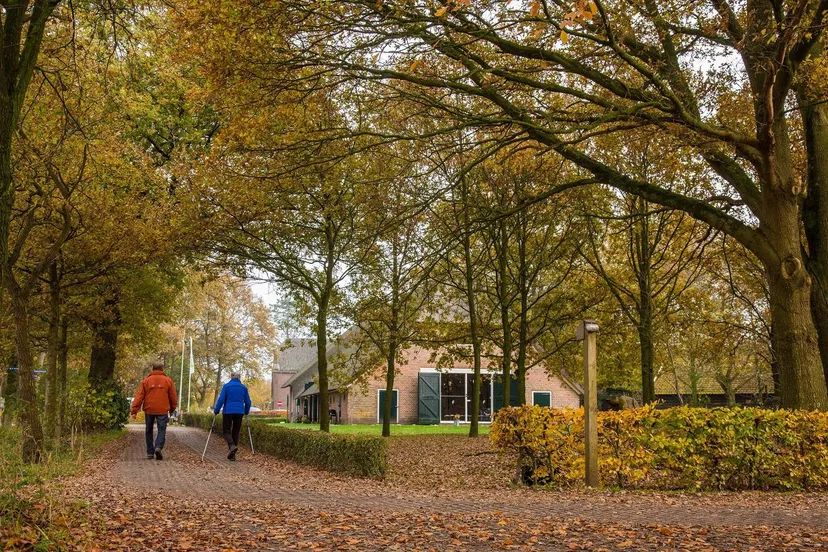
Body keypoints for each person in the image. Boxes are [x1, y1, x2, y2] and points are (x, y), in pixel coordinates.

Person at [130, 361, 178, 461]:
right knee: (161, 429)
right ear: (162, 369)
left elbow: (139, 396)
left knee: (149, 430)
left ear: (152, 369)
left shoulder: (146, 381)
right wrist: (172, 409)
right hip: (163, 409)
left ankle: (150, 452)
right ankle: (158, 447)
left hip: (149, 409)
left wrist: (134, 410)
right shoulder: (168, 381)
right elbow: (173, 397)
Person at [213, 372, 251, 461]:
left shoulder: (226, 386)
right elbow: (248, 402)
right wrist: (246, 411)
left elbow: (221, 399)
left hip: (228, 411)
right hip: (239, 412)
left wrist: (216, 410)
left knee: (226, 431)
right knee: (236, 431)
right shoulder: (244, 388)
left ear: (231, 377)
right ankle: (233, 455)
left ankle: (231, 445)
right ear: (239, 378)